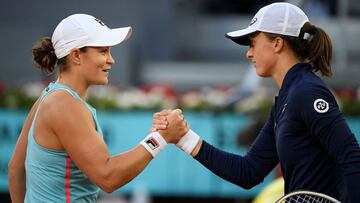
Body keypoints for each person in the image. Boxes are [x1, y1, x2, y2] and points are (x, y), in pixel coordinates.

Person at [153, 2, 360, 202]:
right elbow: (248, 171)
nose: (248, 53)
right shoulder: (287, 98)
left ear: (277, 43)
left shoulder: (307, 92)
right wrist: (183, 137)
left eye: (253, 43)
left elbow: (352, 157)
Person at [8, 14, 189, 203]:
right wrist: (160, 138)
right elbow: (108, 177)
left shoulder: (50, 96)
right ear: (76, 55)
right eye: (103, 51)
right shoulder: (65, 105)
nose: (111, 60)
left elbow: (15, 169)